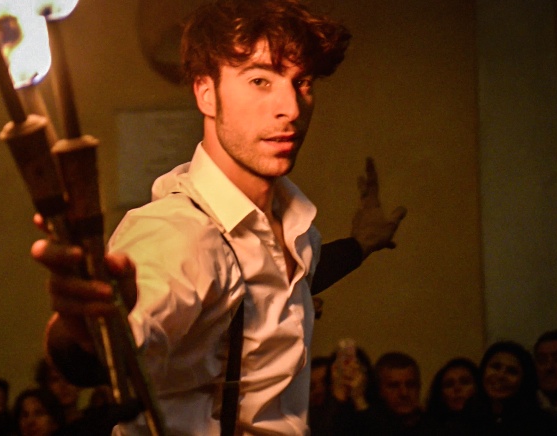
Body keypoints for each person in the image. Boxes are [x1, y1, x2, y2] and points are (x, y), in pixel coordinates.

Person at [33, 0, 406, 433]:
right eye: (260, 80)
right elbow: (119, 341)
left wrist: (360, 245)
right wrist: (82, 330)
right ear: (206, 92)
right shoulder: (179, 233)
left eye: (302, 82)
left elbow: (276, 282)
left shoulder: (293, 226)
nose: (290, 107)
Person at [475, 340, 548, 435]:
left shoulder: (540, 425)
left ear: (524, 380)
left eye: (511, 371)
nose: (501, 376)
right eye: (495, 367)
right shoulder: (467, 418)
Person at [367, 351, 429, 435]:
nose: (404, 393)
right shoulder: (367, 427)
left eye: (410, 385)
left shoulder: (436, 427)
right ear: (379, 390)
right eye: (394, 386)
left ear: (419, 387)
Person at [424, 357, 482, 434]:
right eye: (449, 385)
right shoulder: (428, 429)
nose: (457, 388)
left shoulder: (491, 425)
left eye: (465, 382)